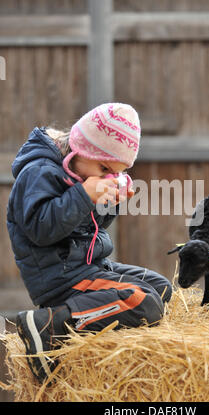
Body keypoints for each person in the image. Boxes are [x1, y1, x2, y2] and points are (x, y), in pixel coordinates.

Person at [6, 103, 172, 383]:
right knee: (145, 303)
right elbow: (40, 229)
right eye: (104, 168)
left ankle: (83, 322)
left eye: (114, 172)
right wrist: (84, 195)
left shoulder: (81, 173)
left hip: (89, 266)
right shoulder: (38, 173)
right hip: (60, 278)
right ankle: (48, 325)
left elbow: (91, 227)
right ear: (80, 150)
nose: (107, 176)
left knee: (162, 289)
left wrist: (109, 200)